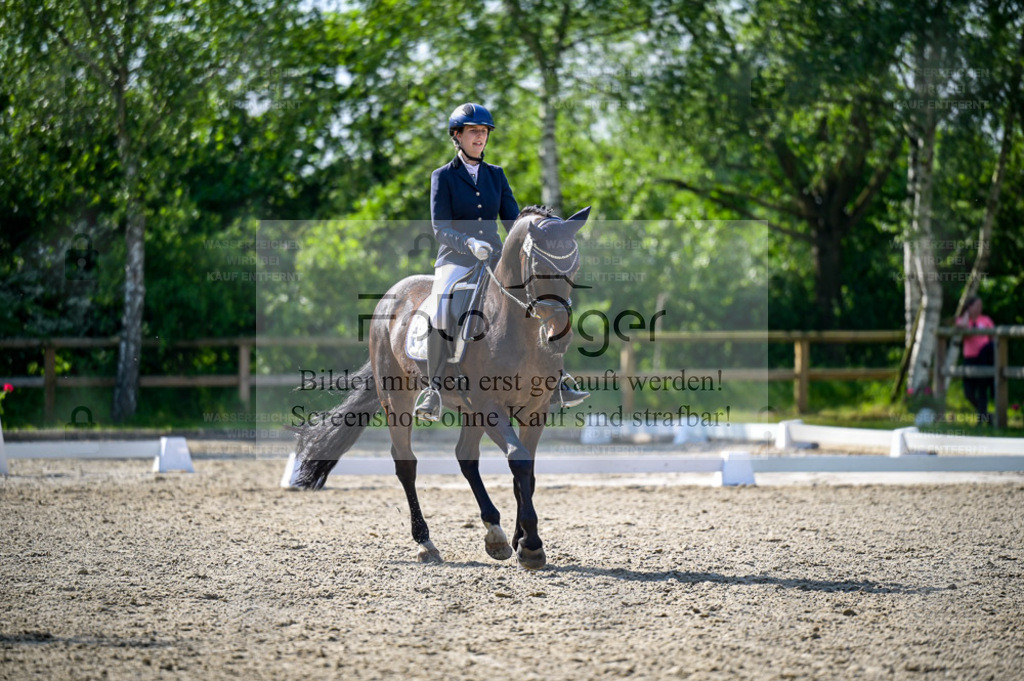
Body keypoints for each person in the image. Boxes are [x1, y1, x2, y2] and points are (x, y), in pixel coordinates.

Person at [414, 102, 589, 421]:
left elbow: (513, 220)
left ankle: (559, 379)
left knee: (538, 299)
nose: (480, 137)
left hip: (495, 257)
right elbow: (440, 227)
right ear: (457, 136)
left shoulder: (496, 175)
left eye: (483, 132)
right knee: (441, 307)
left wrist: (531, 244)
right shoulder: (443, 177)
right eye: (473, 132)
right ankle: (435, 389)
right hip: (456, 259)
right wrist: (468, 242)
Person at [956, 295, 995, 425]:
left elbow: (994, 337)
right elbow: (962, 327)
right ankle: (987, 416)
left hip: (984, 359)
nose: (980, 308)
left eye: (981, 306)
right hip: (970, 359)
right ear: (969, 306)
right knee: (969, 392)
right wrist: (967, 315)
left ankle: (982, 420)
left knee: (982, 390)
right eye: (977, 305)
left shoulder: (986, 320)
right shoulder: (962, 319)